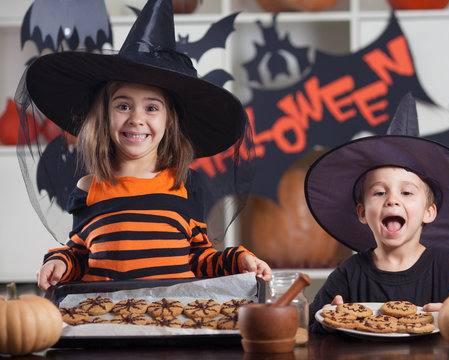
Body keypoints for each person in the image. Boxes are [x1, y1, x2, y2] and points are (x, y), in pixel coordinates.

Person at [16, 0, 271, 290]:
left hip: (173, 319)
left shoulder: (184, 185)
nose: (136, 119)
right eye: (123, 106)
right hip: (105, 320)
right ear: (103, 116)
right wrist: (60, 262)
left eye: (151, 108)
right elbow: (79, 253)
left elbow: (199, 258)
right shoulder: (90, 188)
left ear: (169, 122)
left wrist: (237, 260)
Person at [304, 93, 449, 332]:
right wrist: (326, 323)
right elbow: (305, 330)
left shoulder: (448, 269)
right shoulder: (349, 273)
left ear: (428, 212)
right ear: (362, 212)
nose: (392, 200)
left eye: (407, 193)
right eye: (380, 192)